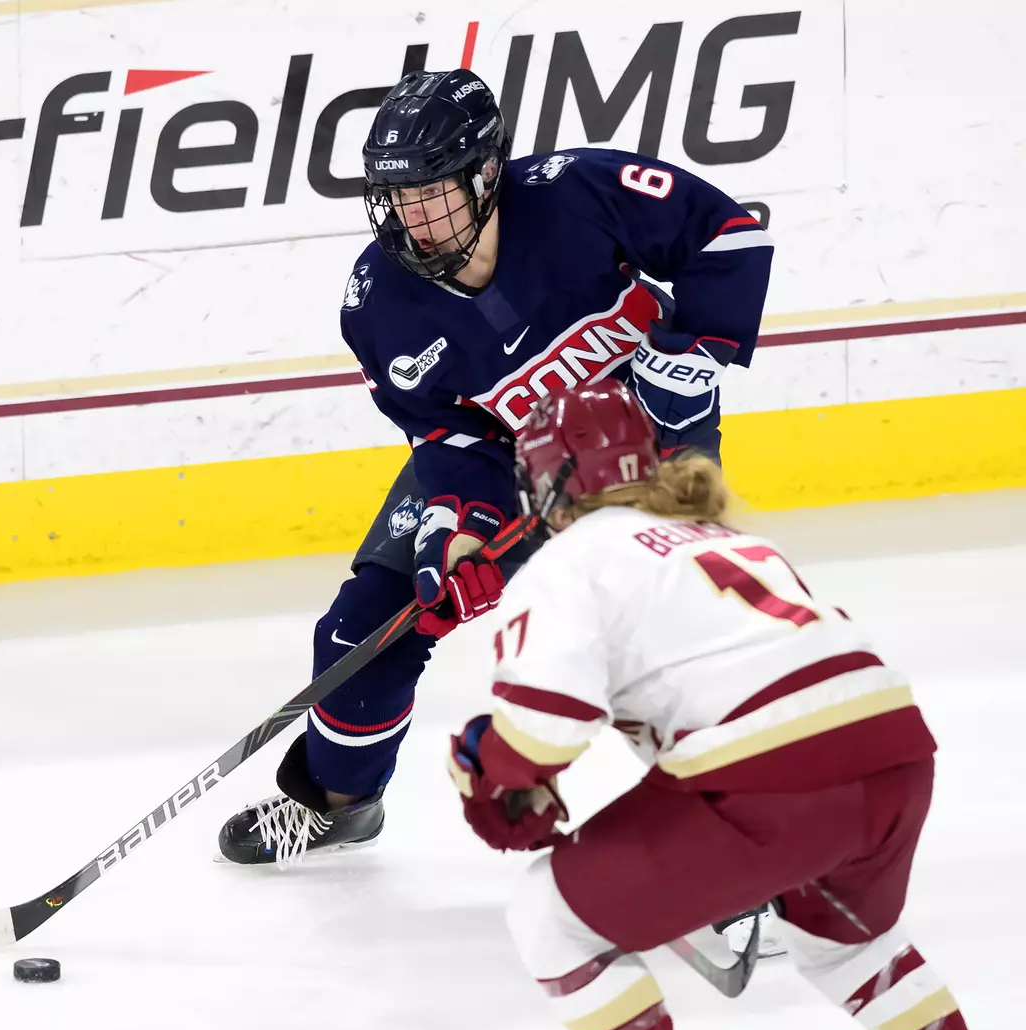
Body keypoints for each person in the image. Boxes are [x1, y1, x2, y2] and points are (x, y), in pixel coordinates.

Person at [217, 67, 774, 865]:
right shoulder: (378, 302)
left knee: (665, 641)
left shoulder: (579, 191)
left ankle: (750, 826)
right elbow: (448, 435)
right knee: (366, 623)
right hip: (514, 462)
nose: (410, 216)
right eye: (395, 196)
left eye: (428, 191)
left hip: (643, 453)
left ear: (485, 174)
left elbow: (727, 233)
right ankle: (340, 804)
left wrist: (692, 355)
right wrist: (463, 528)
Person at [446, 380, 1008, 1030]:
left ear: (548, 481)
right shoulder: (724, 538)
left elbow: (547, 724)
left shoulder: (569, 559)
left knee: (548, 918)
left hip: (770, 778)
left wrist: (490, 769)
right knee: (851, 947)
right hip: (894, 754)